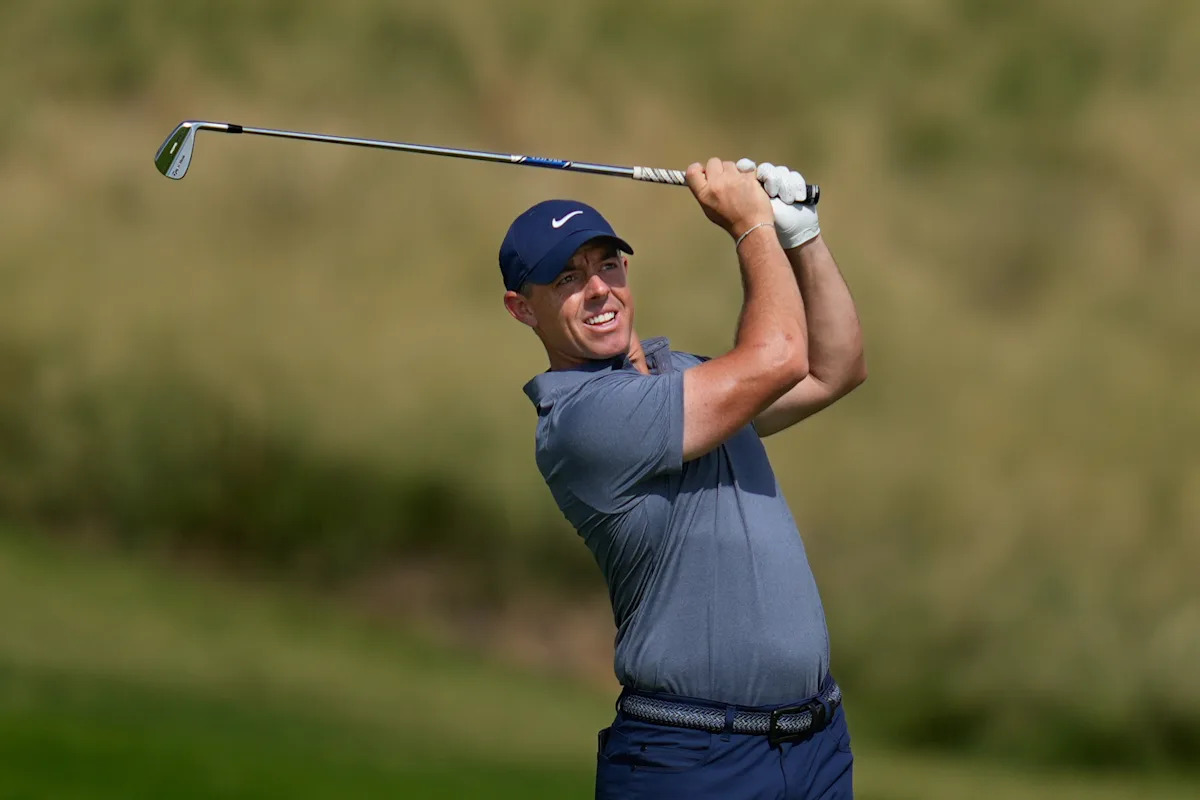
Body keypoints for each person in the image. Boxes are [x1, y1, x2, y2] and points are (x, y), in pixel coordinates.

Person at [499, 156, 866, 799]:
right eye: (566, 279)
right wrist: (751, 227)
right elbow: (780, 357)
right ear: (522, 309)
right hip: (693, 758)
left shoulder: (686, 378)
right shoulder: (584, 421)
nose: (599, 290)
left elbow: (835, 368)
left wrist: (802, 236)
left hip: (815, 745)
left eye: (607, 265)